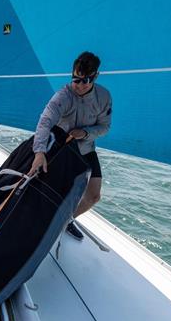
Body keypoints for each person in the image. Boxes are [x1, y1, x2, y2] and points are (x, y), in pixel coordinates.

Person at [28, 51, 112, 240]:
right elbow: (45, 122)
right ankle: (39, 222)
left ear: (96, 76)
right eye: (76, 79)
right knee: (53, 190)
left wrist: (85, 133)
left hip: (86, 147)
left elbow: (105, 127)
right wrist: (39, 152)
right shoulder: (63, 96)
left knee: (94, 196)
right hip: (61, 147)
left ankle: (66, 220)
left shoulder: (104, 97)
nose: (80, 85)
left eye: (86, 80)